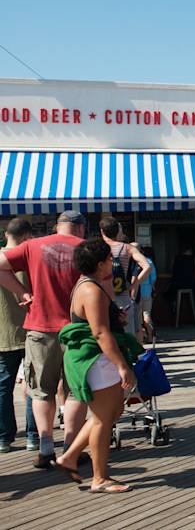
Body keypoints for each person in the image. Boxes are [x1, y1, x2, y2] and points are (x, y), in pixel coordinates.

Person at [0, 210, 87, 469]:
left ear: (56, 226)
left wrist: (23, 292)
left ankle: (45, 446)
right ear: (80, 228)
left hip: (39, 329)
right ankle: (71, 448)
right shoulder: (86, 248)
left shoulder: (32, 246)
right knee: (74, 391)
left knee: (41, 390)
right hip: (77, 329)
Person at [53, 239, 142, 493]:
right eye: (109, 261)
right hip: (95, 358)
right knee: (104, 418)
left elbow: (102, 325)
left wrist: (116, 317)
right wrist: (123, 366)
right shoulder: (91, 290)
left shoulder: (87, 285)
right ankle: (99, 478)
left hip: (95, 357)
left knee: (110, 413)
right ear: (101, 262)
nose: (112, 266)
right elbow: (100, 333)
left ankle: (70, 457)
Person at [0, 218, 32, 453]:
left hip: (4, 332)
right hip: (32, 330)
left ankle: (4, 437)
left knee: (3, 387)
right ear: (25, 237)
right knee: (34, 385)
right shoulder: (28, 260)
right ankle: (33, 436)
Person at [99, 218, 152, 339]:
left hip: (103, 298)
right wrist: (133, 285)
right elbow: (147, 267)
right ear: (118, 231)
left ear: (102, 231)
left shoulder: (98, 248)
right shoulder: (128, 248)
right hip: (123, 298)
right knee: (128, 337)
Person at [132, 244, 157, 341]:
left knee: (137, 317)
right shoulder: (148, 261)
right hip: (147, 291)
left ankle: (140, 339)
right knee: (147, 314)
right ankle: (151, 337)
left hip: (135, 292)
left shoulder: (132, 262)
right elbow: (153, 278)